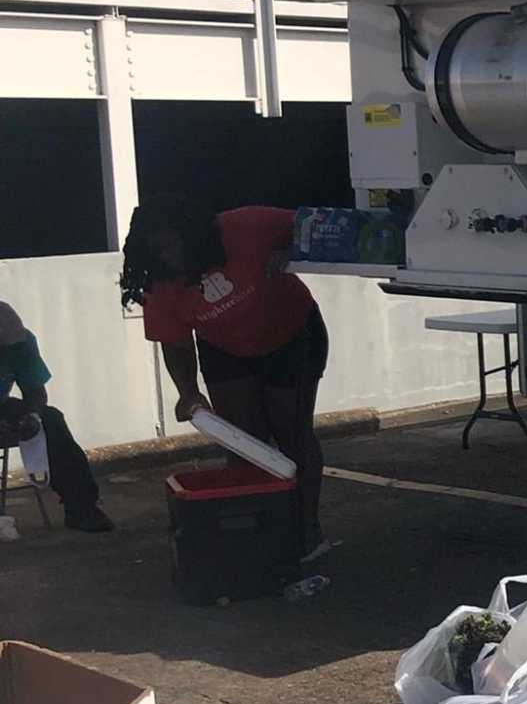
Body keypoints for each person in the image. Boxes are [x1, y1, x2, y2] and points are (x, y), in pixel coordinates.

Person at [118, 198, 332, 560]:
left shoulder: (247, 225)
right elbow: (176, 344)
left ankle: (307, 529)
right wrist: (188, 392)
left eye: (172, 245)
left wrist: (292, 250)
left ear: (192, 233)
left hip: (292, 332)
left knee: (293, 433)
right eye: (158, 253)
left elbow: (320, 223)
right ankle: (260, 530)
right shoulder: (159, 281)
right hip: (223, 345)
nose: (169, 258)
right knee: (242, 443)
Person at [0, 301, 114, 532]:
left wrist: (32, 416)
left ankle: (82, 507)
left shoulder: (21, 343)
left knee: (51, 420)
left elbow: (35, 391)